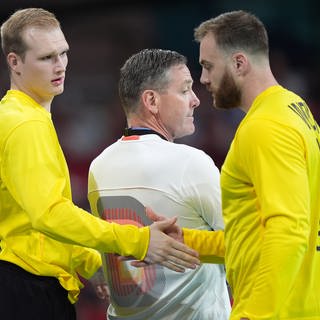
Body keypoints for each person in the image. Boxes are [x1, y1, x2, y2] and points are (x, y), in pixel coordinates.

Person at [0, 8, 200, 320]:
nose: (60, 65)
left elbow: (30, 221)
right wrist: (139, 240)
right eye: (46, 58)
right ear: (15, 62)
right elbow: (49, 215)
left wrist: (89, 262)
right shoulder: (26, 125)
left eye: (63, 53)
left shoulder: (20, 117)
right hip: (27, 291)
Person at [186, 9, 320, 320]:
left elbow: (288, 228)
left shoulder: (265, 126)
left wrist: (256, 314)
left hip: (278, 311)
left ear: (239, 63)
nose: (203, 78)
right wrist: (188, 241)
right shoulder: (294, 108)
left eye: (208, 66)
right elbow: (256, 234)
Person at [88, 48, 231, 319]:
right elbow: (243, 245)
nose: (195, 100)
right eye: (185, 90)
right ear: (152, 100)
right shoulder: (191, 162)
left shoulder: (99, 165)